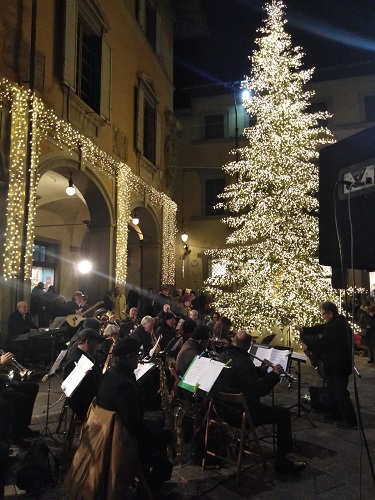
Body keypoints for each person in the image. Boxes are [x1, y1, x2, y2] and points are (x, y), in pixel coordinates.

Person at [219, 330, 306, 474]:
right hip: (242, 415)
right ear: (249, 346)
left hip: (225, 410)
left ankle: (242, 443)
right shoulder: (244, 362)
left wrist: (262, 370)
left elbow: (243, 377)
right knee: (283, 414)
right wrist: (274, 375)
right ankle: (282, 462)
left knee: (259, 404)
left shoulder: (224, 355)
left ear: (233, 341)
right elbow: (259, 390)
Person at [96, 338, 172, 491]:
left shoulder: (112, 373)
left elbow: (131, 405)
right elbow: (135, 425)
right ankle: (150, 486)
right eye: (137, 355)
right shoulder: (123, 383)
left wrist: (154, 400)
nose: (139, 358)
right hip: (120, 440)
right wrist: (162, 435)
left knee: (156, 425)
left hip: (111, 431)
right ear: (129, 357)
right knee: (163, 446)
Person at [296, 301, 358, 429]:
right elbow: (322, 328)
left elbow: (323, 343)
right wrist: (304, 329)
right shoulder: (337, 322)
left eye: (323, 314)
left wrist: (308, 346)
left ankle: (350, 420)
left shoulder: (336, 327)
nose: (323, 317)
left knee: (341, 393)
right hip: (335, 365)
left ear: (330, 313)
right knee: (333, 391)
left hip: (338, 366)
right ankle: (336, 414)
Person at [63, 328, 103, 421]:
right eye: (95, 343)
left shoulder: (86, 355)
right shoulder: (76, 360)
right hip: (86, 405)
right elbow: (77, 393)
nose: (97, 346)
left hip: (92, 398)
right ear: (88, 341)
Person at [0, 351, 40, 445]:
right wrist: (1, 362)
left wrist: (9, 361)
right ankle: (14, 436)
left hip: (2, 382)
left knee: (33, 387)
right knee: (20, 398)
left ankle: (23, 427)